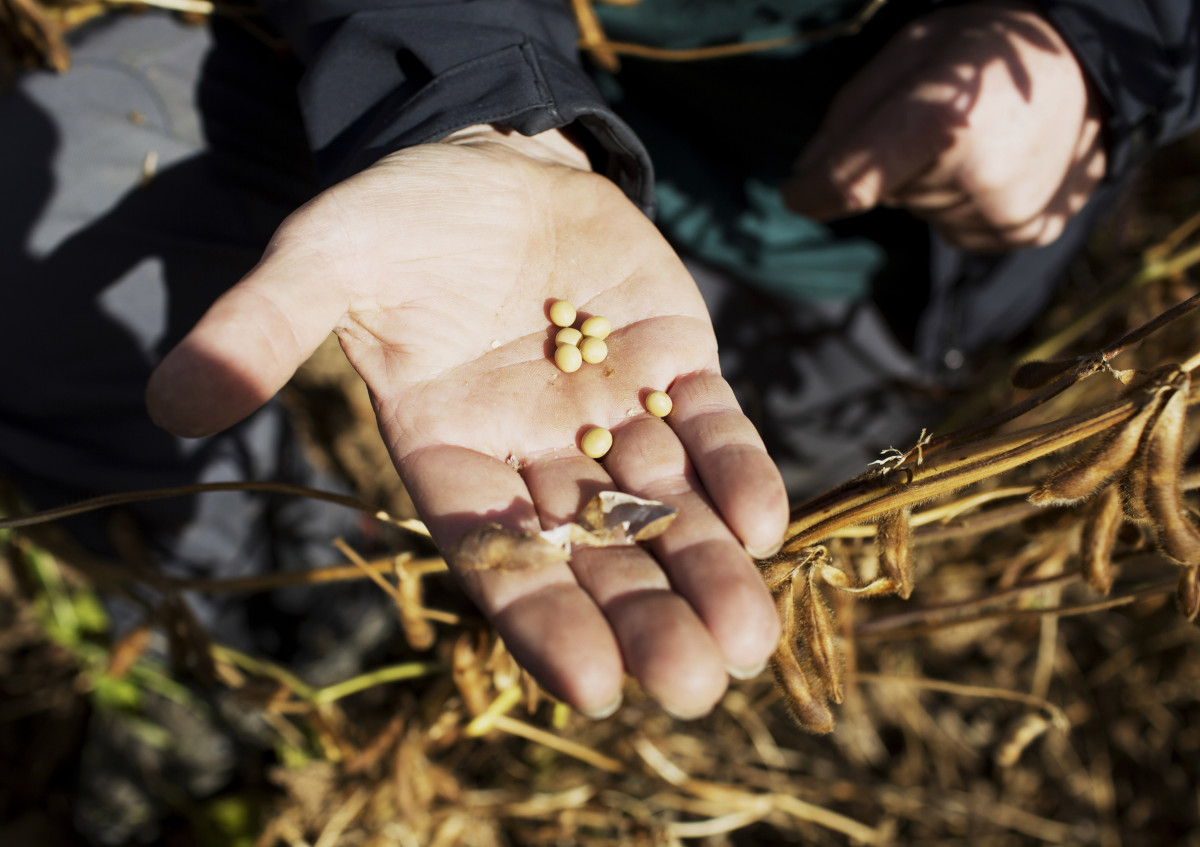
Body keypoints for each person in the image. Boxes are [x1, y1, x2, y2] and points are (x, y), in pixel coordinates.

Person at [4, 0, 1198, 730]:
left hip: (853, 277)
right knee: (36, 196)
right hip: (395, 75)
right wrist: (470, 103)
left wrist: (1091, 51)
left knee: (700, 544)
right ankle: (270, 638)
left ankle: (427, 673)